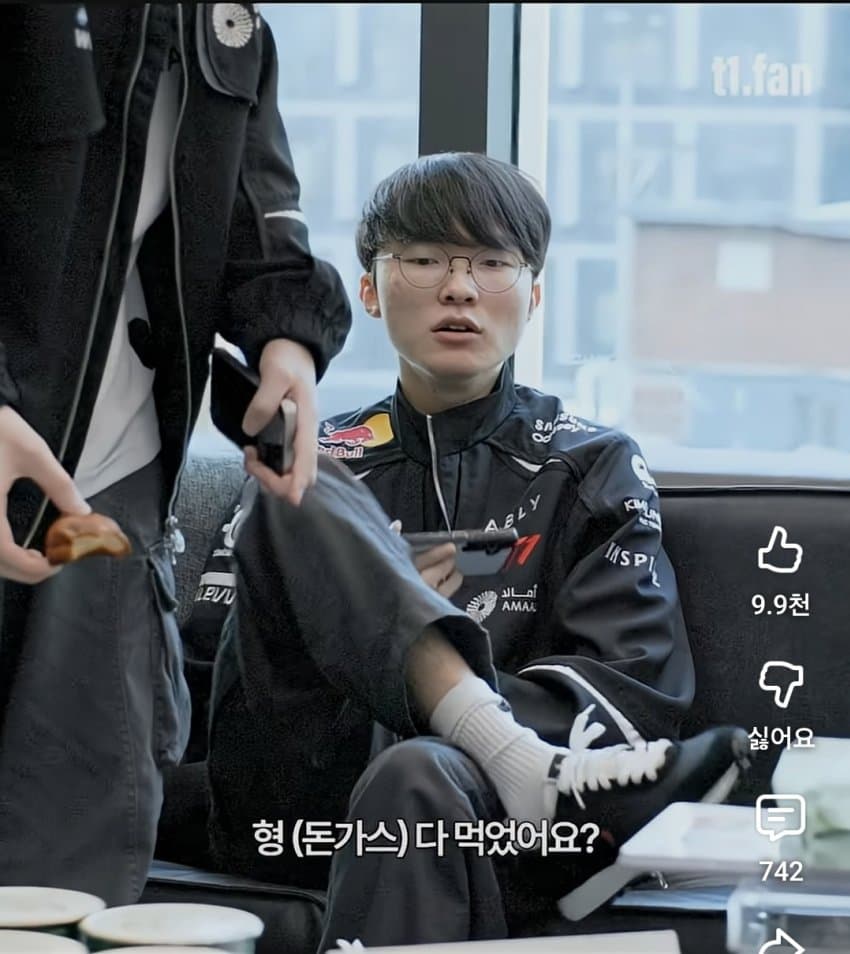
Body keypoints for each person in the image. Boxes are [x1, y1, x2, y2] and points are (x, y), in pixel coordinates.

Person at [202, 152, 750, 950]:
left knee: (414, 773)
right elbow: (224, 684)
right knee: (295, 473)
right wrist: (359, 612)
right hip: (301, 789)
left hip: (492, 816)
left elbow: (632, 695)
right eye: (425, 260)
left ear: (533, 297)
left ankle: (510, 758)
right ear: (369, 291)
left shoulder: (587, 464)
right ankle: (499, 751)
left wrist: (422, 675)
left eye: (492, 263)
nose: (459, 288)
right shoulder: (319, 458)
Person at [0, 4, 350, 905]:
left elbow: (262, 216)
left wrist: (285, 344)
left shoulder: (228, 29)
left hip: (101, 486)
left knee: (75, 830)